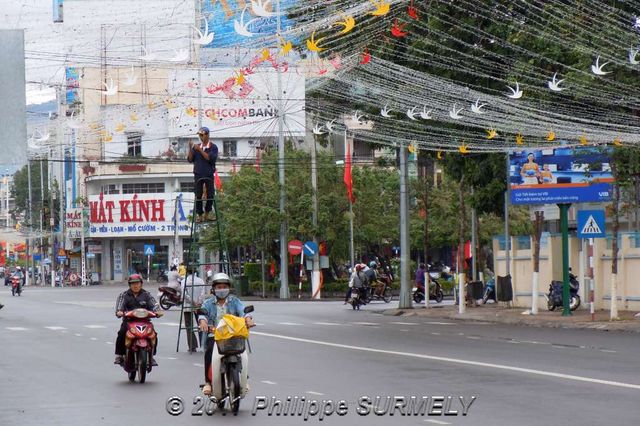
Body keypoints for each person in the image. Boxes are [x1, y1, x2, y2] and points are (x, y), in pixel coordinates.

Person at [198, 273, 254, 398]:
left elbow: (243, 311)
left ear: (229, 288)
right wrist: (203, 321)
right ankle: (208, 382)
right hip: (215, 336)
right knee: (209, 352)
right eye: (219, 287)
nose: (221, 289)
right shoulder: (208, 303)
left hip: (233, 336)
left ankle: (245, 378)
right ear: (214, 289)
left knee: (242, 353)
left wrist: (248, 319)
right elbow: (203, 314)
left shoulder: (235, 301)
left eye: (224, 286)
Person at [114, 274, 163, 365]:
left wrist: (158, 311)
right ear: (129, 285)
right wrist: (119, 312)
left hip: (145, 321)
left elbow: (155, 305)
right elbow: (119, 308)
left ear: (141, 284)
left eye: (137, 283)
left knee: (154, 335)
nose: (135, 285)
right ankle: (119, 355)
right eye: (133, 284)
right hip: (129, 322)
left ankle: (151, 356)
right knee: (121, 333)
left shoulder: (147, 295)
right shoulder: (124, 295)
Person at [187, 127, 218, 223]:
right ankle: (199, 215)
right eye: (199, 135)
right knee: (198, 195)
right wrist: (190, 148)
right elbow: (190, 159)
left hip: (208, 174)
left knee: (210, 194)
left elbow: (209, 158)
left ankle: (207, 214)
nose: (200, 137)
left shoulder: (213, 147)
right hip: (198, 174)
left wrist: (200, 150)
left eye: (202, 135)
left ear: (207, 135)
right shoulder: (196, 147)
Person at [181, 269, 207, 352]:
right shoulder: (200, 281)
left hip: (188, 305)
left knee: (189, 325)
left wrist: (193, 302)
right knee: (201, 324)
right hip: (199, 305)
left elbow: (184, 294)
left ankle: (192, 346)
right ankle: (203, 344)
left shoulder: (184, 281)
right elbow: (203, 294)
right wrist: (198, 302)